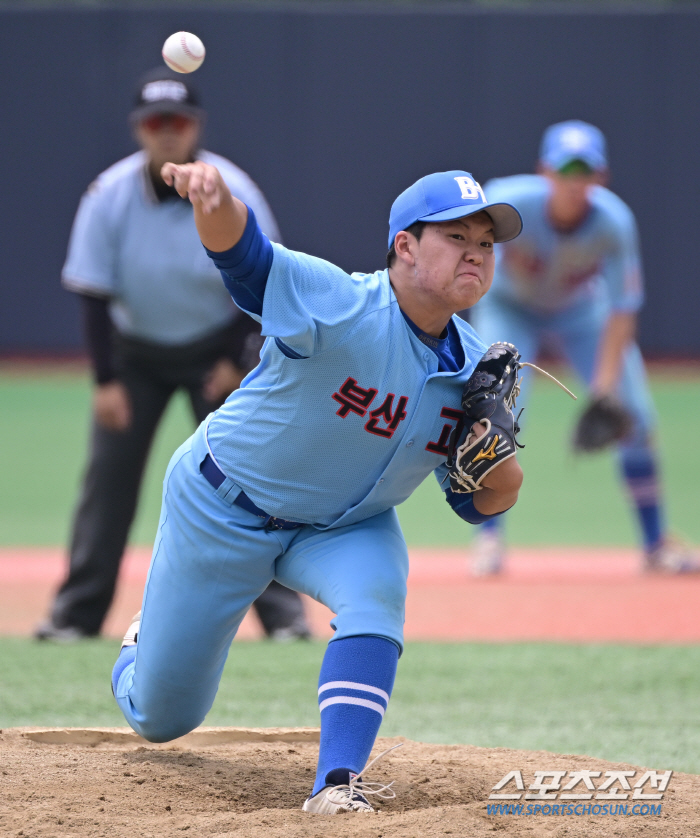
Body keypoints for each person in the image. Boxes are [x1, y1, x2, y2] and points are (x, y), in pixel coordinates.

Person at [110, 166, 524, 813]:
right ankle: (146, 641)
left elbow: (477, 503)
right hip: (224, 507)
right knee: (161, 718)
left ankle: (336, 785)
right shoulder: (338, 303)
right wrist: (216, 202)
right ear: (405, 247)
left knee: (378, 594)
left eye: (487, 241)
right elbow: (244, 258)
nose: (475, 250)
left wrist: (503, 463)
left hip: (345, 527)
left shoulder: (474, 368)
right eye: (455, 234)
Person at [36, 68, 311, 642]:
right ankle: (76, 616)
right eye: (156, 122)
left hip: (216, 352)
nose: (167, 132)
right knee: (109, 483)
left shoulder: (233, 188)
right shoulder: (108, 194)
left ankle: (283, 618)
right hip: (133, 355)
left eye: (178, 121)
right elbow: (92, 291)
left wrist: (237, 360)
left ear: (196, 128)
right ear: (139, 129)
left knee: (249, 481)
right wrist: (105, 380)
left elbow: (264, 281)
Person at [470, 119, 699, 576]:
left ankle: (655, 544)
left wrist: (607, 386)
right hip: (510, 306)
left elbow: (622, 307)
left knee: (633, 412)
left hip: (580, 313)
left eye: (584, 172)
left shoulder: (614, 222)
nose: (574, 182)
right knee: (501, 411)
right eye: (565, 170)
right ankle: (489, 542)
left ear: (600, 177)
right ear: (545, 171)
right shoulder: (509, 199)